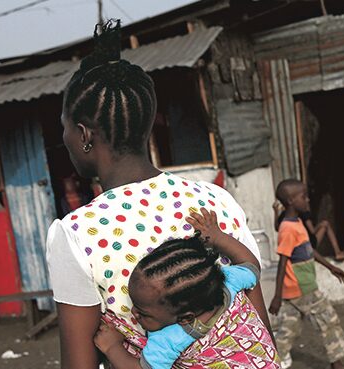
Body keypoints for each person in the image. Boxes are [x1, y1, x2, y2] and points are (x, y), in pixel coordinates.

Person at [45, 19, 271, 369]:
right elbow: (257, 334)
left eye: (64, 129)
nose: (65, 140)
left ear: (83, 134)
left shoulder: (75, 234)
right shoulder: (215, 200)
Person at [93, 209, 279, 368]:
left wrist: (112, 348)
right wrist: (218, 237)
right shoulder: (229, 283)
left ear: (185, 318)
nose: (133, 313)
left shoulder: (169, 339)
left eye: (144, 313)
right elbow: (251, 266)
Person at [270, 179, 344, 369]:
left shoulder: (296, 222)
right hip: (303, 287)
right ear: (290, 200)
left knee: (288, 330)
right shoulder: (288, 228)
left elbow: (308, 250)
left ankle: (272, 362)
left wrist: (330, 267)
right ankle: (337, 364)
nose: (307, 200)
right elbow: (283, 262)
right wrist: (276, 295)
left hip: (294, 290)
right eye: (303, 196)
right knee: (328, 320)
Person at [273, 202, 344, 261]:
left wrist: (276, 213)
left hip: (298, 248)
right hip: (308, 244)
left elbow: (277, 228)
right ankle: (337, 252)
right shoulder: (303, 213)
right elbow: (313, 231)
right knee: (325, 224)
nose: (307, 200)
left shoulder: (285, 215)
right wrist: (320, 224)